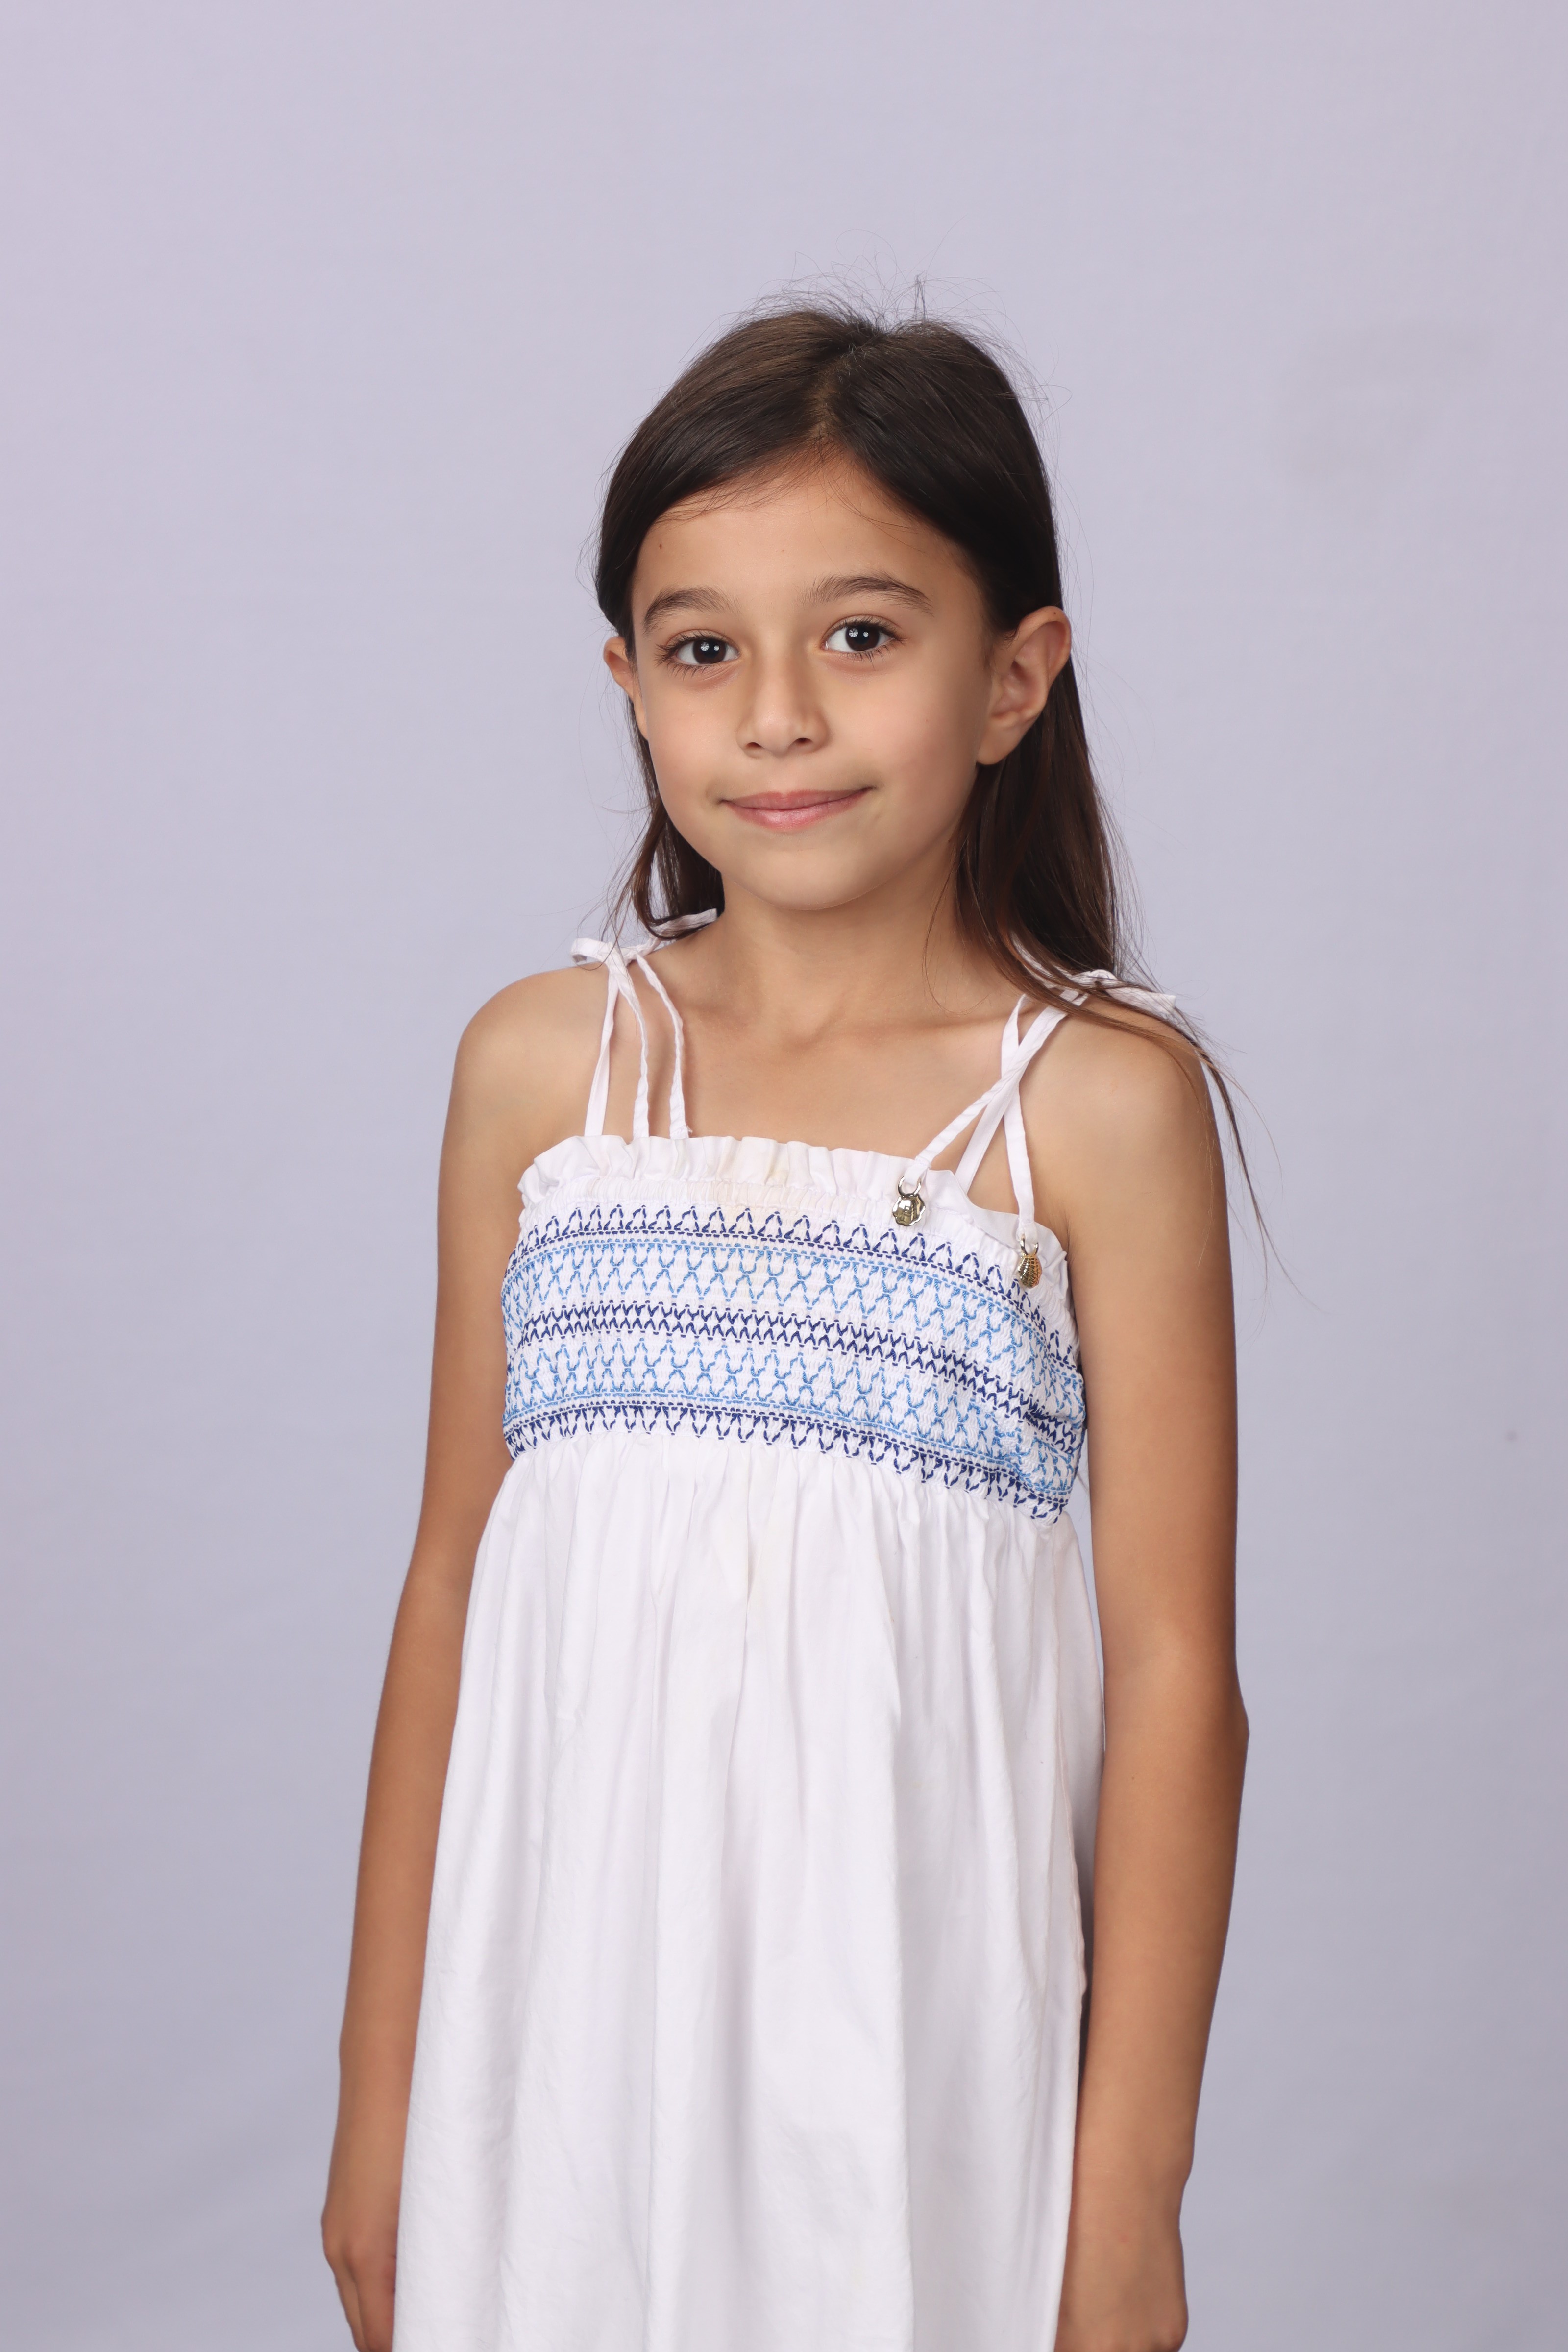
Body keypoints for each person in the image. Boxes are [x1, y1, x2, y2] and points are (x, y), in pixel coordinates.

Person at [322, 303, 1249, 2352]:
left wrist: (1128, 2202)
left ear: (1012, 677)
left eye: (859, 635)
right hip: (558, 2037)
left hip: (909, 2050)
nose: (776, 719)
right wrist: (379, 2099)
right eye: (700, 650)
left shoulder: (1093, 1107)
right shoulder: (541, 1075)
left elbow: (1179, 1672)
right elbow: (450, 1582)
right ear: (628, 688)